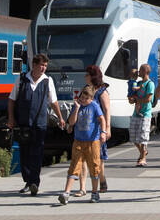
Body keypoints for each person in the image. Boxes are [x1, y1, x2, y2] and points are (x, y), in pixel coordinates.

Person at [7, 54, 64, 196]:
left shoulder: (47, 81)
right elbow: (11, 100)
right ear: (34, 65)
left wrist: (60, 117)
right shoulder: (21, 79)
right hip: (24, 122)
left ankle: (34, 182)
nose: (43, 68)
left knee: (37, 153)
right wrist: (11, 118)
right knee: (24, 152)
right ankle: (27, 180)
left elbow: (53, 101)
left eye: (45, 66)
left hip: (40, 123)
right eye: (41, 65)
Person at [58, 84, 107, 204]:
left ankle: (94, 192)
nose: (84, 101)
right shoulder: (78, 106)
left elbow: (102, 119)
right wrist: (77, 108)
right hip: (78, 141)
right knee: (74, 166)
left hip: (92, 142)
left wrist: (103, 132)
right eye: (82, 98)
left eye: (86, 99)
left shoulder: (94, 106)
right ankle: (66, 193)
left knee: (94, 167)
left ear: (91, 98)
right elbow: (72, 122)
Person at [74, 64, 111, 195]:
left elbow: (107, 111)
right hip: (84, 131)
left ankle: (102, 181)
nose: (85, 77)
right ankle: (82, 188)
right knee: (83, 159)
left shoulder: (102, 91)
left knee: (98, 159)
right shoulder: (86, 90)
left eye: (87, 75)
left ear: (93, 76)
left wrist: (107, 129)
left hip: (97, 131)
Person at [129, 63, 155, 167]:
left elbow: (148, 99)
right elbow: (132, 97)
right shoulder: (138, 83)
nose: (138, 72)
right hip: (136, 113)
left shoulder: (150, 84)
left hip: (145, 114)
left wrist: (136, 99)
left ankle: (143, 158)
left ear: (145, 71)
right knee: (133, 137)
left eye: (140, 70)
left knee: (143, 136)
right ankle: (143, 152)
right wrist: (131, 99)